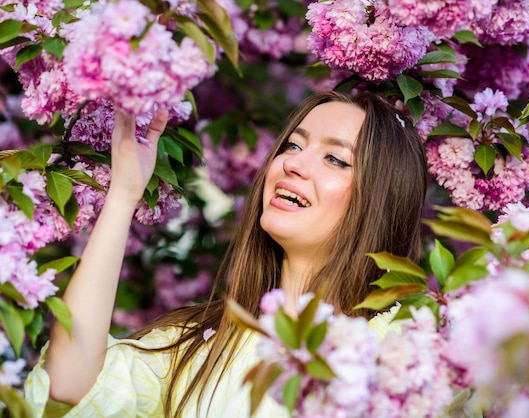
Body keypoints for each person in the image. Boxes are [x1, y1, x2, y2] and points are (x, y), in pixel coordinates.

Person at [25, 90, 428, 417]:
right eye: (292, 145)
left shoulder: (409, 346)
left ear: (380, 200)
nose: (294, 164)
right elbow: (68, 388)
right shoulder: (199, 348)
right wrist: (122, 196)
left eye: (335, 159)